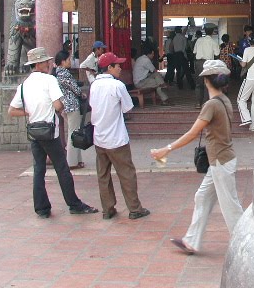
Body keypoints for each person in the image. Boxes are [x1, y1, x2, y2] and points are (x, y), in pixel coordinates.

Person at [150, 60, 244, 255]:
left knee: (231, 207)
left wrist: (166, 149)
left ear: (206, 81)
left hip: (220, 161)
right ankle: (191, 241)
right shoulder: (224, 100)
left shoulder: (211, 105)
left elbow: (192, 134)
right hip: (219, 160)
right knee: (202, 197)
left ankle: (247, 245)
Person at [8, 47, 98, 218]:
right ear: (40, 63)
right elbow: (58, 105)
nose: (49, 64)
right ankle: (74, 204)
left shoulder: (23, 85)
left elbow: (12, 111)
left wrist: (30, 113)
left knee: (39, 170)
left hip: (34, 131)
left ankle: (42, 208)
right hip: (50, 131)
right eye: (47, 61)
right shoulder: (49, 81)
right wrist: (53, 108)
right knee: (62, 168)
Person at [90, 52, 150, 220]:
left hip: (99, 137)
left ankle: (107, 208)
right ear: (109, 68)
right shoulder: (117, 86)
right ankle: (134, 208)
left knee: (103, 175)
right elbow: (128, 108)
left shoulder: (94, 85)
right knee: (126, 173)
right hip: (116, 138)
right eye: (117, 65)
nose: (120, 68)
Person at [54, 50, 86, 169]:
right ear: (62, 61)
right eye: (68, 59)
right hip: (71, 105)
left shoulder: (58, 73)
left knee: (75, 131)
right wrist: (81, 93)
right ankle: (72, 161)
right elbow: (75, 89)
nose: (70, 61)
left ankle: (77, 160)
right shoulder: (64, 74)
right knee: (73, 133)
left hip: (66, 105)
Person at [194, 25, 221, 108]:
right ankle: (205, 103)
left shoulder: (199, 40)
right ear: (213, 32)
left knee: (199, 84)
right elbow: (217, 54)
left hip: (199, 63)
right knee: (208, 84)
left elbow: (194, 52)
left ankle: (198, 103)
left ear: (204, 31)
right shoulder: (213, 42)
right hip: (209, 63)